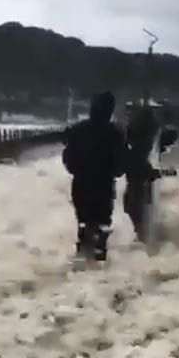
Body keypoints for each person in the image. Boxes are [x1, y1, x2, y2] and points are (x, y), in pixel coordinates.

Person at [61, 91, 132, 261]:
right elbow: (121, 162)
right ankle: (98, 263)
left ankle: (82, 256)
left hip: (81, 184)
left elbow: (68, 157)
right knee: (101, 224)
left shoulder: (78, 130)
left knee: (84, 221)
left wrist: (77, 170)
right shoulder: (115, 134)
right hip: (103, 186)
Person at [123, 103, 164, 241]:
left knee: (135, 206)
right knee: (138, 207)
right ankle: (143, 236)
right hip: (139, 179)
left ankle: (142, 236)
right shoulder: (144, 138)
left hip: (137, 179)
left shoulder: (138, 138)